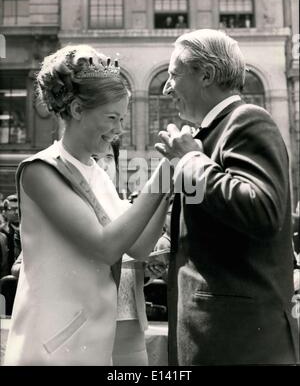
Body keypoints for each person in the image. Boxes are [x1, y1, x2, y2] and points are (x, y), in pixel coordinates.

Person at [4, 44, 172, 366]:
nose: (118, 130)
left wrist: (168, 187)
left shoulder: (97, 173)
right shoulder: (40, 171)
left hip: (95, 341)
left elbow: (138, 246)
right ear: (78, 110)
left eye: (122, 119)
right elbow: (106, 248)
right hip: (52, 345)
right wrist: (163, 174)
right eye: (111, 117)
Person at [155, 29, 299, 365]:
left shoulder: (247, 120)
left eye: (174, 74)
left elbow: (262, 211)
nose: (167, 87)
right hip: (220, 337)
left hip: (239, 342)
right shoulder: (209, 134)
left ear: (205, 75)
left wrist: (190, 160)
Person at [96, 141, 149, 366]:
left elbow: (141, 253)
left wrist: (149, 268)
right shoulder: (71, 207)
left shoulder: (130, 210)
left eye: (109, 158)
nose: (103, 166)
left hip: (131, 317)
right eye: (95, 159)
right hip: (92, 318)